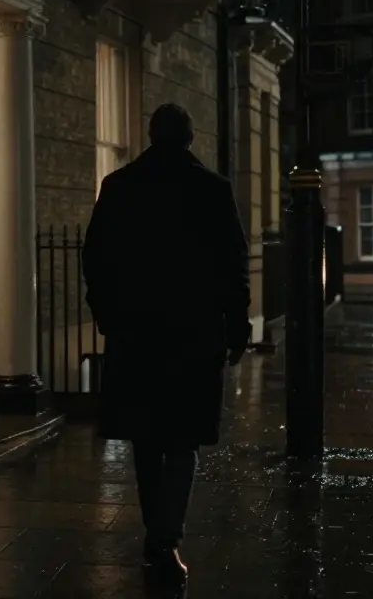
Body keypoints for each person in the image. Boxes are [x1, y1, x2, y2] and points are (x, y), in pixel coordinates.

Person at [81, 103, 251, 587]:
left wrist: (107, 313)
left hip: (136, 332)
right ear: (191, 137)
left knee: (146, 438)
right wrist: (236, 326)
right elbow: (233, 266)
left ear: (152, 135)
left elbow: (95, 257)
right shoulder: (213, 191)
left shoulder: (119, 187)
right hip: (193, 334)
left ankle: (158, 536)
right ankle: (165, 538)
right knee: (182, 439)